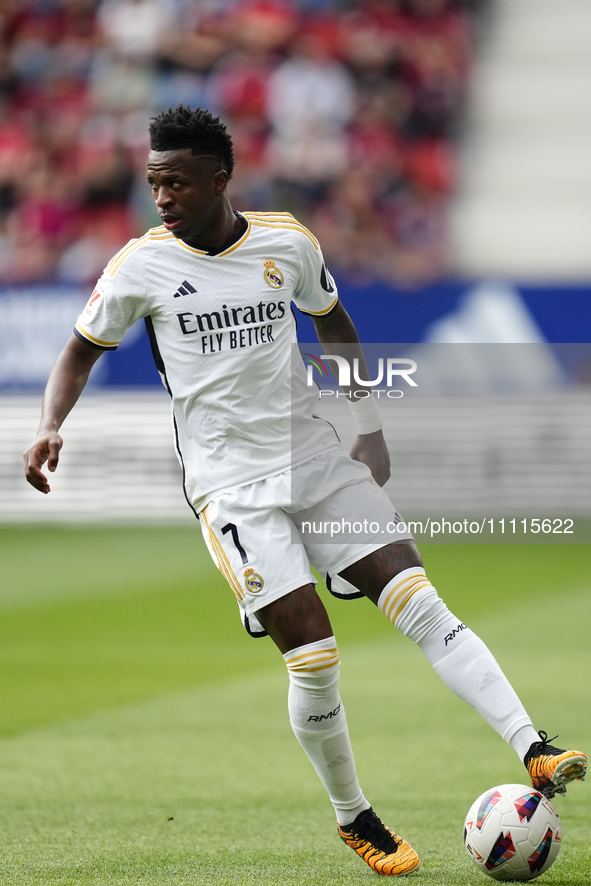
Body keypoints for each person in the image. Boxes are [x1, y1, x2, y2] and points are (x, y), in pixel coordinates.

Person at [23, 106, 586, 878]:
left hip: (314, 459)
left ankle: (533, 747)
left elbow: (336, 323)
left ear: (220, 179)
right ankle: (355, 816)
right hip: (230, 487)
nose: (161, 197)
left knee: (421, 603)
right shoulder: (138, 268)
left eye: (176, 183)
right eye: (153, 183)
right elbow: (77, 354)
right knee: (315, 659)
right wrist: (52, 423)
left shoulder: (285, 243)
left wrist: (367, 421)